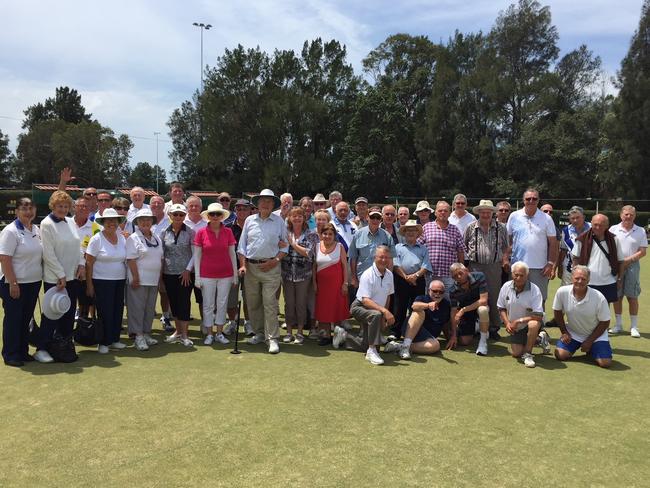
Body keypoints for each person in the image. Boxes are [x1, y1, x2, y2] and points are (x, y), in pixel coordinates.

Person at [237, 189, 288, 354]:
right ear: (257, 204)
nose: (265, 204)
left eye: (269, 201)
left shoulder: (279, 221)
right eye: (263, 201)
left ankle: (272, 338)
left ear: (273, 204)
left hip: (271, 268)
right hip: (251, 268)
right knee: (253, 303)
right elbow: (242, 246)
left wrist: (275, 261)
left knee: (270, 303)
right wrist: (243, 265)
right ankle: (259, 333)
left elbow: (285, 246)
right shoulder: (250, 220)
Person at [38, 190, 85, 363]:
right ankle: (42, 348)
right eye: (59, 206)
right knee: (51, 315)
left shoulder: (70, 222)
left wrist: (81, 264)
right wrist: (60, 274)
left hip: (72, 277)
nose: (63, 209)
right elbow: (48, 254)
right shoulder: (46, 224)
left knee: (68, 312)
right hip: (55, 279)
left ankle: (63, 346)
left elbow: (78, 245)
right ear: (52, 206)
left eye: (66, 206)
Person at [333, 246, 394, 365]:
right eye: (381, 257)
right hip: (359, 307)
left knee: (364, 344)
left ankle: (344, 335)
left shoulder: (390, 275)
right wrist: (384, 312)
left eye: (387, 257)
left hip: (374, 310)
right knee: (376, 316)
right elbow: (365, 300)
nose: (384, 260)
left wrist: (384, 315)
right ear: (374, 258)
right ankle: (371, 351)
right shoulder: (368, 274)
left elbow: (388, 296)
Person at [0, 197, 42, 367]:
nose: (28, 211)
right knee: (14, 319)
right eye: (24, 208)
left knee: (26, 319)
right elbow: (4, 258)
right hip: (14, 283)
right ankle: (10, 354)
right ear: (17, 211)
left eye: (31, 208)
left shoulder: (36, 229)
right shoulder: (10, 231)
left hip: (33, 283)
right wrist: (13, 283)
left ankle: (23, 351)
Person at [464, 200, 509, 339]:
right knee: (475, 296)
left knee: (494, 296)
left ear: (492, 213)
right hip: (474, 266)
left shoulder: (501, 228)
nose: (485, 214)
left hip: (494, 267)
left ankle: (494, 327)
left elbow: (505, 247)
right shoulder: (470, 227)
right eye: (482, 212)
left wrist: (504, 260)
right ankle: (475, 326)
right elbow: (464, 245)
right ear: (478, 213)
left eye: (488, 211)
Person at [194, 202, 238, 346]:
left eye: (217, 214)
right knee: (208, 305)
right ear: (208, 216)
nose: (214, 217)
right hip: (206, 274)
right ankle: (209, 334)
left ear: (222, 216)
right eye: (212, 214)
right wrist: (197, 277)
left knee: (222, 304)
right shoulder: (201, 232)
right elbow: (197, 256)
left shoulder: (228, 232)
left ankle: (219, 333)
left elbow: (232, 254)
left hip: (226, 274)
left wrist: (235, 275)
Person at [552, 265, 613, 368]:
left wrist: (589, 341)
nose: (580, 281)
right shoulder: (562, 292)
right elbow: (557, 311)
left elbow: (605, 322)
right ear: (572, 278)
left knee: (605, 363)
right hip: (573, 333)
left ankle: (594, 349)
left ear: (588, 280)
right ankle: (591, 350)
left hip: (595, 335)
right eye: (577, 278)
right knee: (560, 354)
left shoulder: (599, 297)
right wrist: (564, 332)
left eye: (583, 279)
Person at [86, 208, 128, 353]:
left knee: (117, 310)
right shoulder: (96, 239)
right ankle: (103, 342)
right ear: (103, 222)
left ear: (118, 223)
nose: (111, 223)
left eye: (114, 221)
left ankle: (114, 339)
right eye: (108, 220)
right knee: (104, 312)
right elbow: (89, 263)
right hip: (101, 281)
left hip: (119, 280)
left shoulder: (122, 238)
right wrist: (89, 285)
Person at [506, 188, 558, 305]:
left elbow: (553, 243)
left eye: (534, 198)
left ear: (538, 200)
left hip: (540, 267)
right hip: (517, 265)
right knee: (515, 298)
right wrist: (507, 258)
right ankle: (516, 323)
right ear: (523, 200)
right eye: (528, 198)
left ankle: (538, 323)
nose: (531, 201)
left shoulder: (547, 218)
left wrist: (550, 263)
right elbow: (508, 240)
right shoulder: (514, 216)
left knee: (539, 299)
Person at [126, 209, 163, 351]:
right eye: (142, 220)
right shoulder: (133, 238)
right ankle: (138, 336)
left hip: (153, 280)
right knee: (137, 309)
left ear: (152, 221)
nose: (145, 222)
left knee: (149, 309)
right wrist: (135, 277)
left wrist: (159, 279)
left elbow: (160, 259)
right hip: (138, 280)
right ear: (137, 223)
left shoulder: (157, 238)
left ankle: (146, 333)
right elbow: (131, 259)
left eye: (148, 219)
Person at [386, 280, 452, 360]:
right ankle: (406, 345)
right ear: (429, 290)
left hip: (429, 337)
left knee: (435, 346)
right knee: (419, 312)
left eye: (441, 292)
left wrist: (450, 337)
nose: (437, 294)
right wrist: (428, 305)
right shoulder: (422, 298)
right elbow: (414, 306)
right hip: (411, 330)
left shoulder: (446, 304)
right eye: (435, 291)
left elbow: (445, 323)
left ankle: (400, 346)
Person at [281, 207, 319, 344]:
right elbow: (280, 248)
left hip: (304, 275)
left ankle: (300, 332)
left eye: (300, 216)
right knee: (289, 303)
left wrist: (292, 244)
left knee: (301, 304)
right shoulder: (285, 232)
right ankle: (289, 332)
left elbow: (309, 253)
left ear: (304, 218)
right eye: (294, 216)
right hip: (286, 274)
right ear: (289, 218)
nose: (297, 218)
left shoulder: (311, 234)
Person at [610, 205, 648, 337]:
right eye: (626, 214)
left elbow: (643, 252)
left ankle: (634, 327)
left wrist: (628, 260)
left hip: (632, 266)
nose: (628, 217)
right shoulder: (613, 229)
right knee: (617, 296)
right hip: (616, 265)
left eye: (631, 215)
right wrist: (620, 262)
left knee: (632, 297)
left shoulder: (640, 231)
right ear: (621, 215)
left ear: (635, 216)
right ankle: (618, 325)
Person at [497, 261, 544, 368]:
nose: (518, 278)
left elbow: (538, 315)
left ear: (527, 275)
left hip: (529, 323)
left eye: (521, 275)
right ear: (512, 274)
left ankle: (528, 354)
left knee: (533, 324)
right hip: (515, 328)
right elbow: (501, 307)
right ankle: (539, 339)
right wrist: (507, 323)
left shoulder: (534, 290)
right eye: (516, 275)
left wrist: (518, 321)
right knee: (516, 353)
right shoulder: (506, 286)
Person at [161, 204, 196, 347]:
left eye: (181, 215)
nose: (178, 217)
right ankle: (178, 331)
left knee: (184, 303)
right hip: (168, 273)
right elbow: (162, 255)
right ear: (170, 216)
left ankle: (185, 334)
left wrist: (188, 270)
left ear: (184, 216)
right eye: (175, 214)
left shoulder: (190, 232)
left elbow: (195, 254)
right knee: (174, 303)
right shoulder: (164, 232)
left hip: (185, 274)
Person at [390, 220, 432, 339]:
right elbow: (395, 264)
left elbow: (426, 265)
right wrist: (406, 277)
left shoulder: (423, 248)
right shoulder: (398, 247)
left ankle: (415, 332)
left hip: (418, 281)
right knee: (399, 307)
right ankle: (395, 332)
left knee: (416, 307)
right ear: (404, 233)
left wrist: (415, 276)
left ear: (417, 233)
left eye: (414, 230)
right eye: (408, 230)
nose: (411, 232)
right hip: (401, 280)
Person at [571, 214, 623, 304]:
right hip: (587, 282)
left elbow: (620, 261)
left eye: (601, 225)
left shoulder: (614, 239)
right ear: (591, 223)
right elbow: (575, 258)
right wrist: (575, 277)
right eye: (595, 224)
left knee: (605, 312)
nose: (598, 227)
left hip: (608, 282)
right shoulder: (581, 239)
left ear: (607, 226)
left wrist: (619, 279)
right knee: (586, 309)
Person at [314, 223, 350, 345]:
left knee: (336, 309)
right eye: (325, 233)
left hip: (337, 285)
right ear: (321, 234)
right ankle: (326, 336)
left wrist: (345, 283)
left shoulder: (340, 247)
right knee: (323, 309)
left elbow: (345, 266)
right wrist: (314, 283)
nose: (327, 236)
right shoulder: (317, 246)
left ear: (334, 235)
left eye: (330, 234)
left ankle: (338, 336)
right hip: (322, 286)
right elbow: (314, 267)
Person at [418, 200, 465, 292]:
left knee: (448, 301)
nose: (443, 213)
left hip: (449, 274)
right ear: (435, 213)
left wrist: (460, 270)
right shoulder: (426, 227)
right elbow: (418, 247)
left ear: (450, 213)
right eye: (440, 210)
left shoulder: (455, 230)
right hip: (430, 273)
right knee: (430, 301)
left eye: (445, 211)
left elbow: (460, 250)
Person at [224, 199, 254, 336]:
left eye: (244, 209)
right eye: (239, 209)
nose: (242, 211)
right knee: (232, 299)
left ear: (250, 210)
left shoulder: (254, 226)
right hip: (232, 268)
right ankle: (232, 322)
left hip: (252, 268)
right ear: (235, 211)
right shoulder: (228, 227)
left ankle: (248, 323)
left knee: (249, 298)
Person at [448, 263, 490, 355]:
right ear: (452, 278)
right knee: (464, 341)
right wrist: (454, 335)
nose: (458, 277)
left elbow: (483, 300)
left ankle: (483, 343)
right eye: (455, 276)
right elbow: (453, 312)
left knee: (483, 309)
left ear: (466, 271)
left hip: (478, 307)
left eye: (460, 273)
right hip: (467, 313)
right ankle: (478, 327)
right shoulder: (452, 290)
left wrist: (463, 310)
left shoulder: (480, 276)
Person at [149, 195, 173, 331]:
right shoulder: (145, 220)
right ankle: (146, 320)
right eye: (154, 203)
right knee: (148, 293)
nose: (157, 205)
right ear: (150, 205)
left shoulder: (170, 221)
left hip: (165, 263)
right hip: (147, 263)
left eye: (159, 203)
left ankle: (166, 316)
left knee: (164, 292)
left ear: (164, 206)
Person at [558, 206, 591, 286]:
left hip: (590, 268)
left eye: (578, 217)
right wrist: (560, 268)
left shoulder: (592, 228)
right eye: (572, 218)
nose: (575, 220)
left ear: (583, 217)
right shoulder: (565, 231)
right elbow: (563, 250)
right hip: (570, 268)